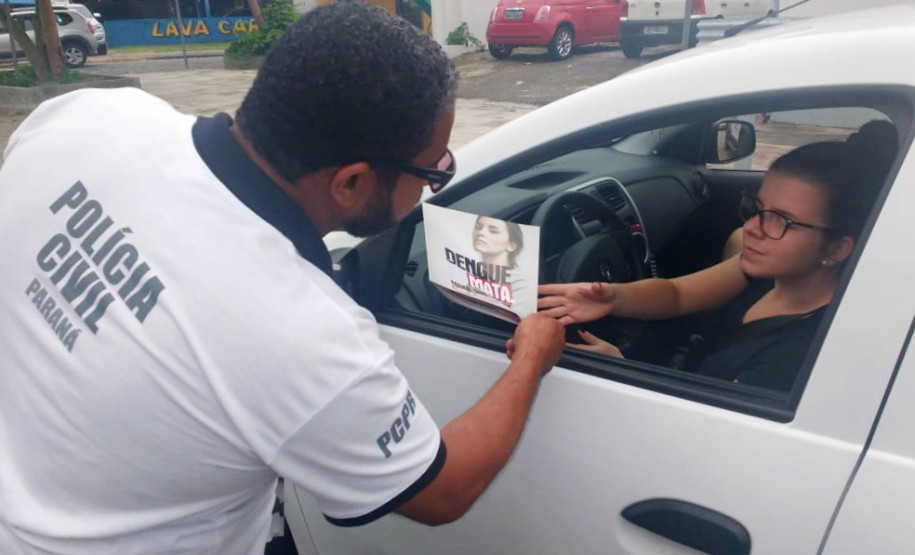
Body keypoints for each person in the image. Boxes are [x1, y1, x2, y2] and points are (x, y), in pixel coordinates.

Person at [0, 3, 565, 554]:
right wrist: (531, 359)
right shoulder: (308, 337)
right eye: (431, 172)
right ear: (352, 183)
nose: (433, 185)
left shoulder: (88, 116)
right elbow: (443, 490)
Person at [539, 124, 897, 391]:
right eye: (757, 209)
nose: (754, 228)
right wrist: (611, 298)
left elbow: (702, 432)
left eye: (780, 221)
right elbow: (677, 294)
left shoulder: (799, 353)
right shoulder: (764, 271)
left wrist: (622, 369)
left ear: (837, 249)